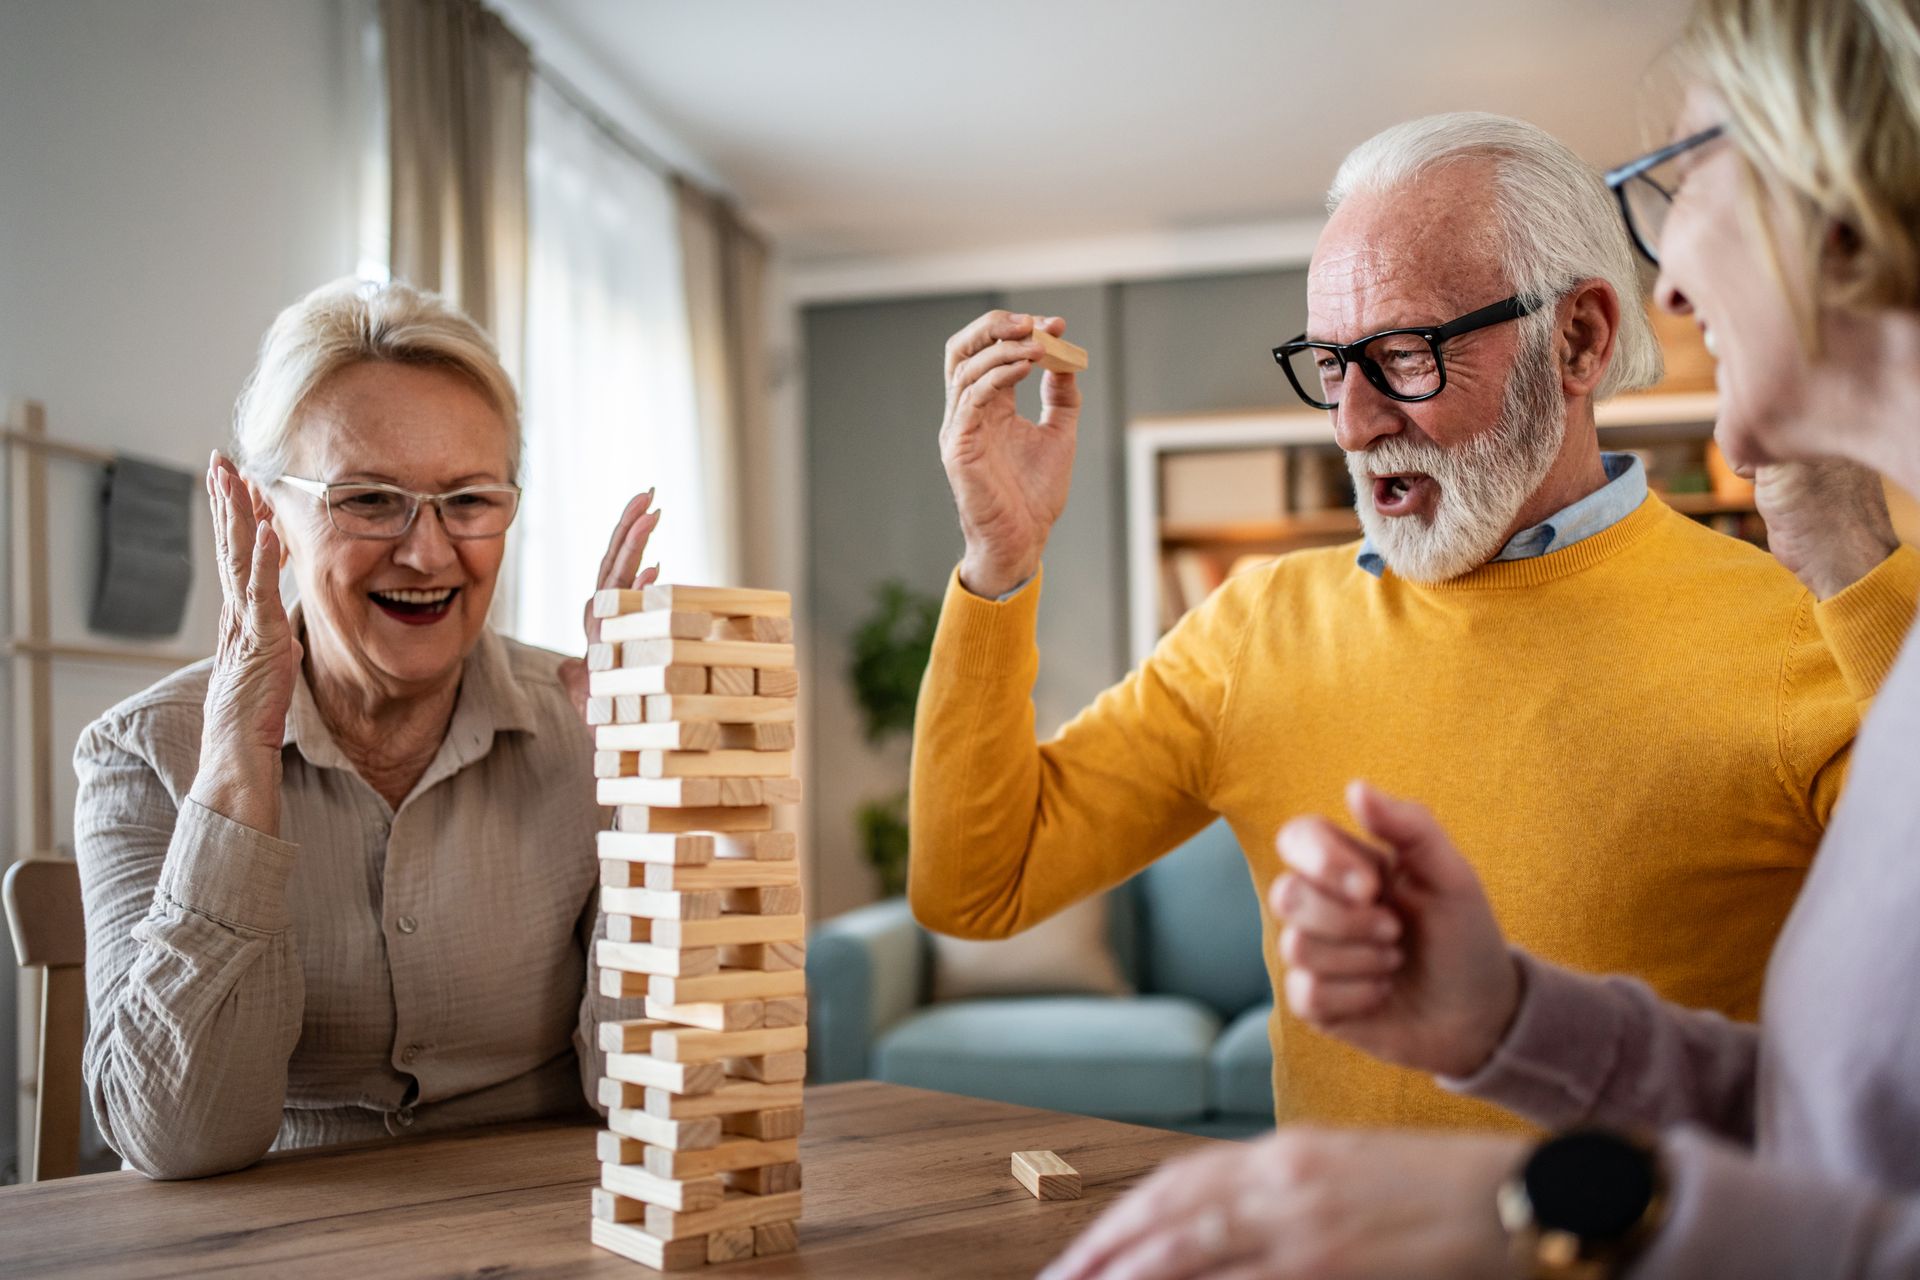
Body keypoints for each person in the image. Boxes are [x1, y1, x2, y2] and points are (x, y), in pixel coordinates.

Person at [1043, 0, 1920, 1275]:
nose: (1669, 276)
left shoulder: (1819, 636)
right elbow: (1844, 1123)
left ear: (1845, 205)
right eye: (1335, 364)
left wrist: (1549, 1214)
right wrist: (1510, 1018)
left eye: (1686, 180)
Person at [73, 278, 658, 1178]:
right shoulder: (144, 752)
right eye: (370, 500)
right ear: (267, 514)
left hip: (553, 1220)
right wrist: (236, 763)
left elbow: (648, 1090)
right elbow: (174, 1137)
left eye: (468, 500)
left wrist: (647, 801)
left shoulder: (593, 722)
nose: (427, 553)